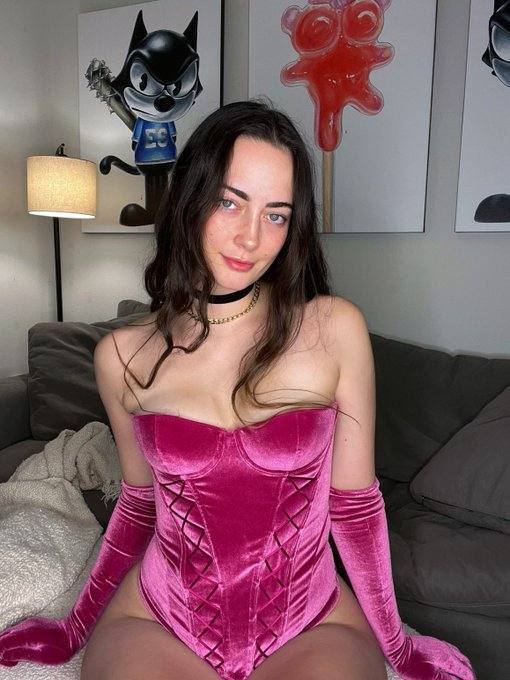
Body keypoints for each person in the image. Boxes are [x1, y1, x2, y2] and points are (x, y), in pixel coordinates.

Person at [0, 99, 475, 680]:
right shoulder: (121, 356)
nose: (251, 238)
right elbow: (140, 503)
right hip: (159, 619)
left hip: (309, 622)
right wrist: (75, 626)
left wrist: (398, 646)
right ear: (189, 199)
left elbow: (354, 508)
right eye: (230, 202)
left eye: (276, 215)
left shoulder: (333, 328)